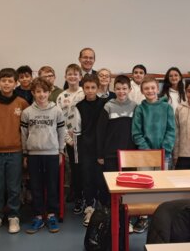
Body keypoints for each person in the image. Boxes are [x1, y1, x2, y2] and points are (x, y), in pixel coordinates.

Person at [0, 68, 29, 234]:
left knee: (14, 186)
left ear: (15, 83)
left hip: (15, 151)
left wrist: (23, 149)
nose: (7, 84)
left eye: (10, 81)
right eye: (3, 81)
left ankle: (13, 216)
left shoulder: (22, 103)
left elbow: (26, 129)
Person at [20, 77, 66, 234]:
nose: (41, 95)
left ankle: (51, 215)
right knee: (36, 186)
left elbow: (61, 132)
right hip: (33, 154)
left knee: (52, 185)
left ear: (49, 92)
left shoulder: (57, 111)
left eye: (44, 91)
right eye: (38, 91)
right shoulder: (27, 112)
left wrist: (60, 151)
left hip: (52, 153)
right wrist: (25, 154)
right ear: (33, 93)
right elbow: (24, 134)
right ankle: (38, 216)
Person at [131, 76, 176, 233]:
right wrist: (147, 150)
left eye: (152, 88)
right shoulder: (140, 109)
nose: (150, 91)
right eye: (146, 88)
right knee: (144, 185)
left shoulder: (167, 108)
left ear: (157, 89)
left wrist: (164, 149)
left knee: (162, 186)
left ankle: (162, 216)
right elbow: (136, 132)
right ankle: (143, 216)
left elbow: (171, 130)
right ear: (142, 91)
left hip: (164, 154)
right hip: (145, 154)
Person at [71, 74, 108, 226]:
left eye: (93, 87)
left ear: (98, 88)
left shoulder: (105, 104)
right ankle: (89, 208)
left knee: (101, 179)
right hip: (85, 148)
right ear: (83, 88)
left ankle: (103, 209)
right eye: (87, 87)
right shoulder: (79, 106)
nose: (90, 90)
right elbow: (77, 131)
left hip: (101, 148)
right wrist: (77, 154)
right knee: (87, 178)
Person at [96, 74, 137, 208]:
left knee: (128, 184)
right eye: (118, 89)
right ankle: (111, 211)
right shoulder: (108, 106)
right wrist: (100, 154)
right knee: (112, 183)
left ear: (130, 89)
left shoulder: (135, 106)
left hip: (129, 153)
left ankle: (126, 211)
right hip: (110, 153)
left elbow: (137, 130)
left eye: (124, 88)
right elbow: (100, 132)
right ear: (114, 89)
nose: (121, 91)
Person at [56, 64, 85, 214]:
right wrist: (68, 138)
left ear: (80, 77)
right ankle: (78, 197)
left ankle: (88, 198)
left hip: (85, 138)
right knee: (75, 170)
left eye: (75, 74)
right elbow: (59, 120)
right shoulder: (61, 96)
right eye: (70, 74)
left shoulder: (85, 92)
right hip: (70, 139)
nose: (73, 77)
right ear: (65, 77)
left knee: (86, 169)